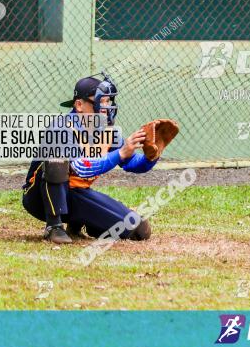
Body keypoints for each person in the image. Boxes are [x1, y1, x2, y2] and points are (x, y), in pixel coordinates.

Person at [22, 73, 157, 244]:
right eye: (101, 101)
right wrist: (121, 152)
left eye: (108, 101)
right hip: (40, 199)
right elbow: (80, 167)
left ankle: (81, 222)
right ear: (79, 105)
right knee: (57, 160)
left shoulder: (106, 131)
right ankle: (54, 227)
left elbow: (133, 164)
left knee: (138, 229)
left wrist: (151, 157)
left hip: (77, 194)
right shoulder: (62, 128)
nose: (106, 107)